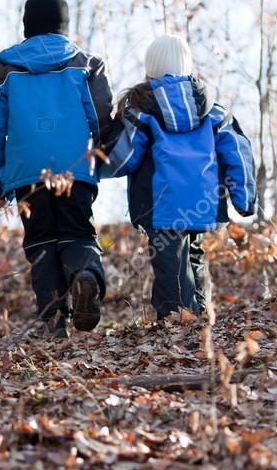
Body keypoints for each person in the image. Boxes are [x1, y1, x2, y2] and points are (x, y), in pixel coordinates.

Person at [0, 0, 113, 337]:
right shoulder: (87, 65)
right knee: (78, 232)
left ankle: (55, 323)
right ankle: (85, 275)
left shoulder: (3, 72)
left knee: (41, 243)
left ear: (28, 25)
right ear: (64, 26)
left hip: (27, 173)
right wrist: (98, 159)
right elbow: (100, 117)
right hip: (75, 167)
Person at [102, 33, 256, 320]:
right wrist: (244, 197)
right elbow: (237, 149)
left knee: (170, 265)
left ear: (150, 70)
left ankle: (178, 323)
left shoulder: (141, 110)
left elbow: (125, 157)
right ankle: (200, 318)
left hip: (162, 202)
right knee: (194, 254)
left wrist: (97, 165)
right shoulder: (213, 110)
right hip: (204, 200)